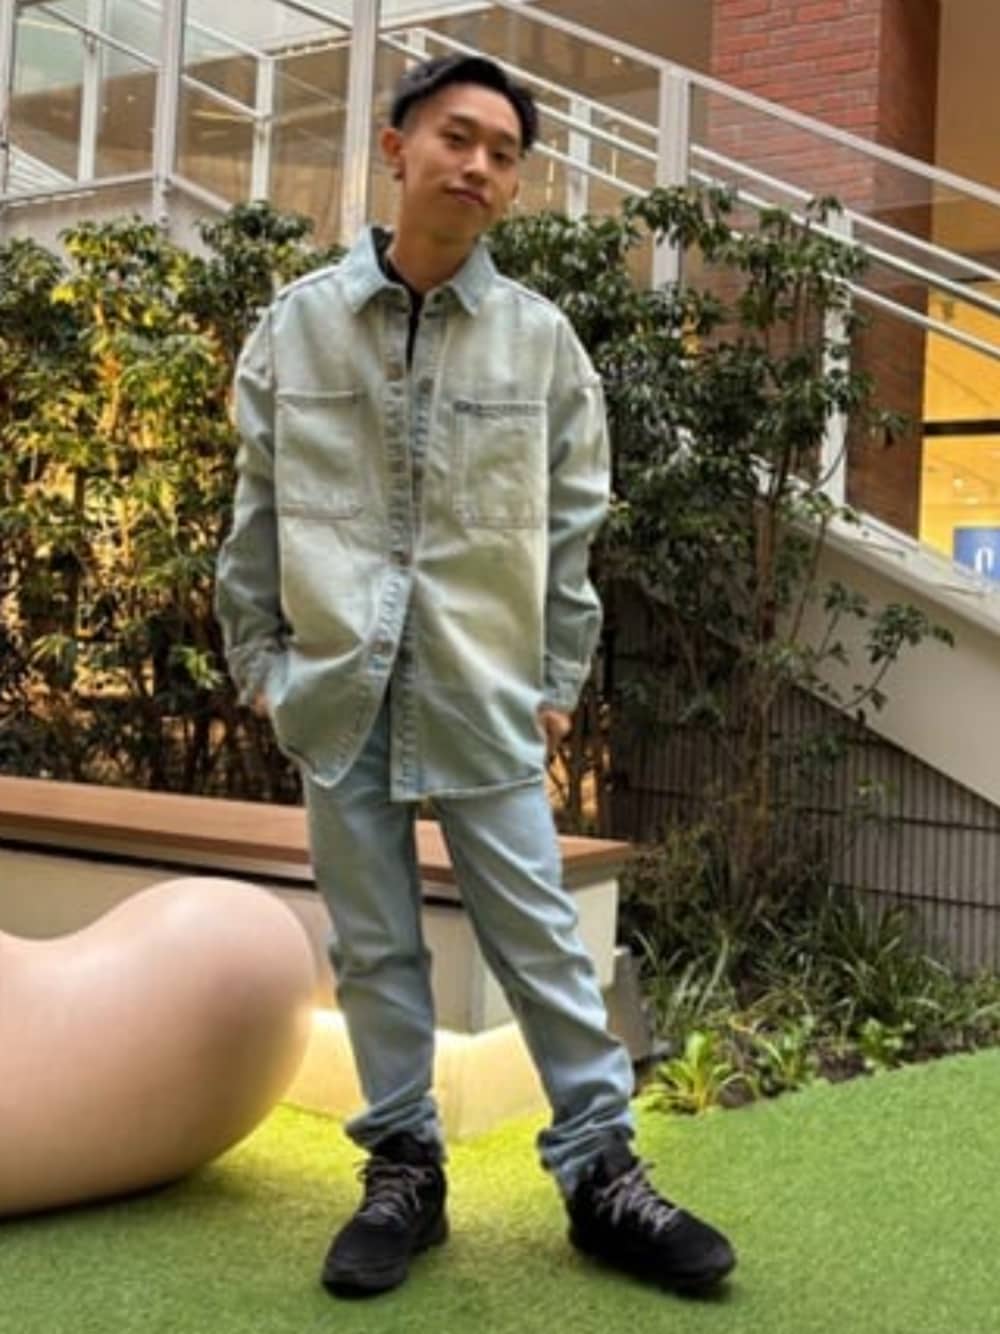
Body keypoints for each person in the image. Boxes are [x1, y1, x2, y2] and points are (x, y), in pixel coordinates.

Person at [215, 52, 735, 1300]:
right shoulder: (296, 325)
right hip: (334, 689)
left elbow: (572, 526)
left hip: (485, 688)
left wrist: (554, 680)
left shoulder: (541, 342)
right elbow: (257, 510)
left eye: (505, 153)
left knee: (540, 939)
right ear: (397, 149)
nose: (480, 166)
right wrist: (261, 666)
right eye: (458, 137)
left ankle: (601, 1172)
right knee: (375, 946)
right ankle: (404, 1168)